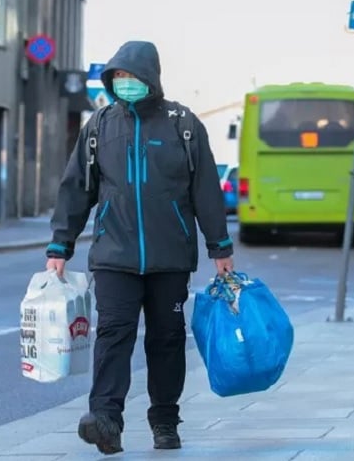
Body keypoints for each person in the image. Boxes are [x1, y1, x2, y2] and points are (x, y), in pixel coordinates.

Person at [44, 41, 234, 454]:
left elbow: (205, 190)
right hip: (114, 256)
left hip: (170, 258)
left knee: (166, 338)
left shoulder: (182, 125)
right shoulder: (99, 127)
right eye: (118, 78)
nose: (125, 84)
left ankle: (165, 420)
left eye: (132, 77)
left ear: (151, 77)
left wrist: (220, 246)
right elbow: (77, 188)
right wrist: (60, 244)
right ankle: (105, 419)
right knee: (113, 334)